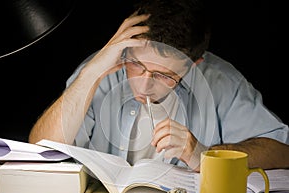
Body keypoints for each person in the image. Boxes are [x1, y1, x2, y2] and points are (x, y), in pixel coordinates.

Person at [28, 0, 289, 171]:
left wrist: (205, 155)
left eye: (164, 75)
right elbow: (40, 145)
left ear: (193, 66)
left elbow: (281, 153)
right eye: (136, 64)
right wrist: (91, 73)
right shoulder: (101, 68)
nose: (143, 85)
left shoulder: (221, 81)